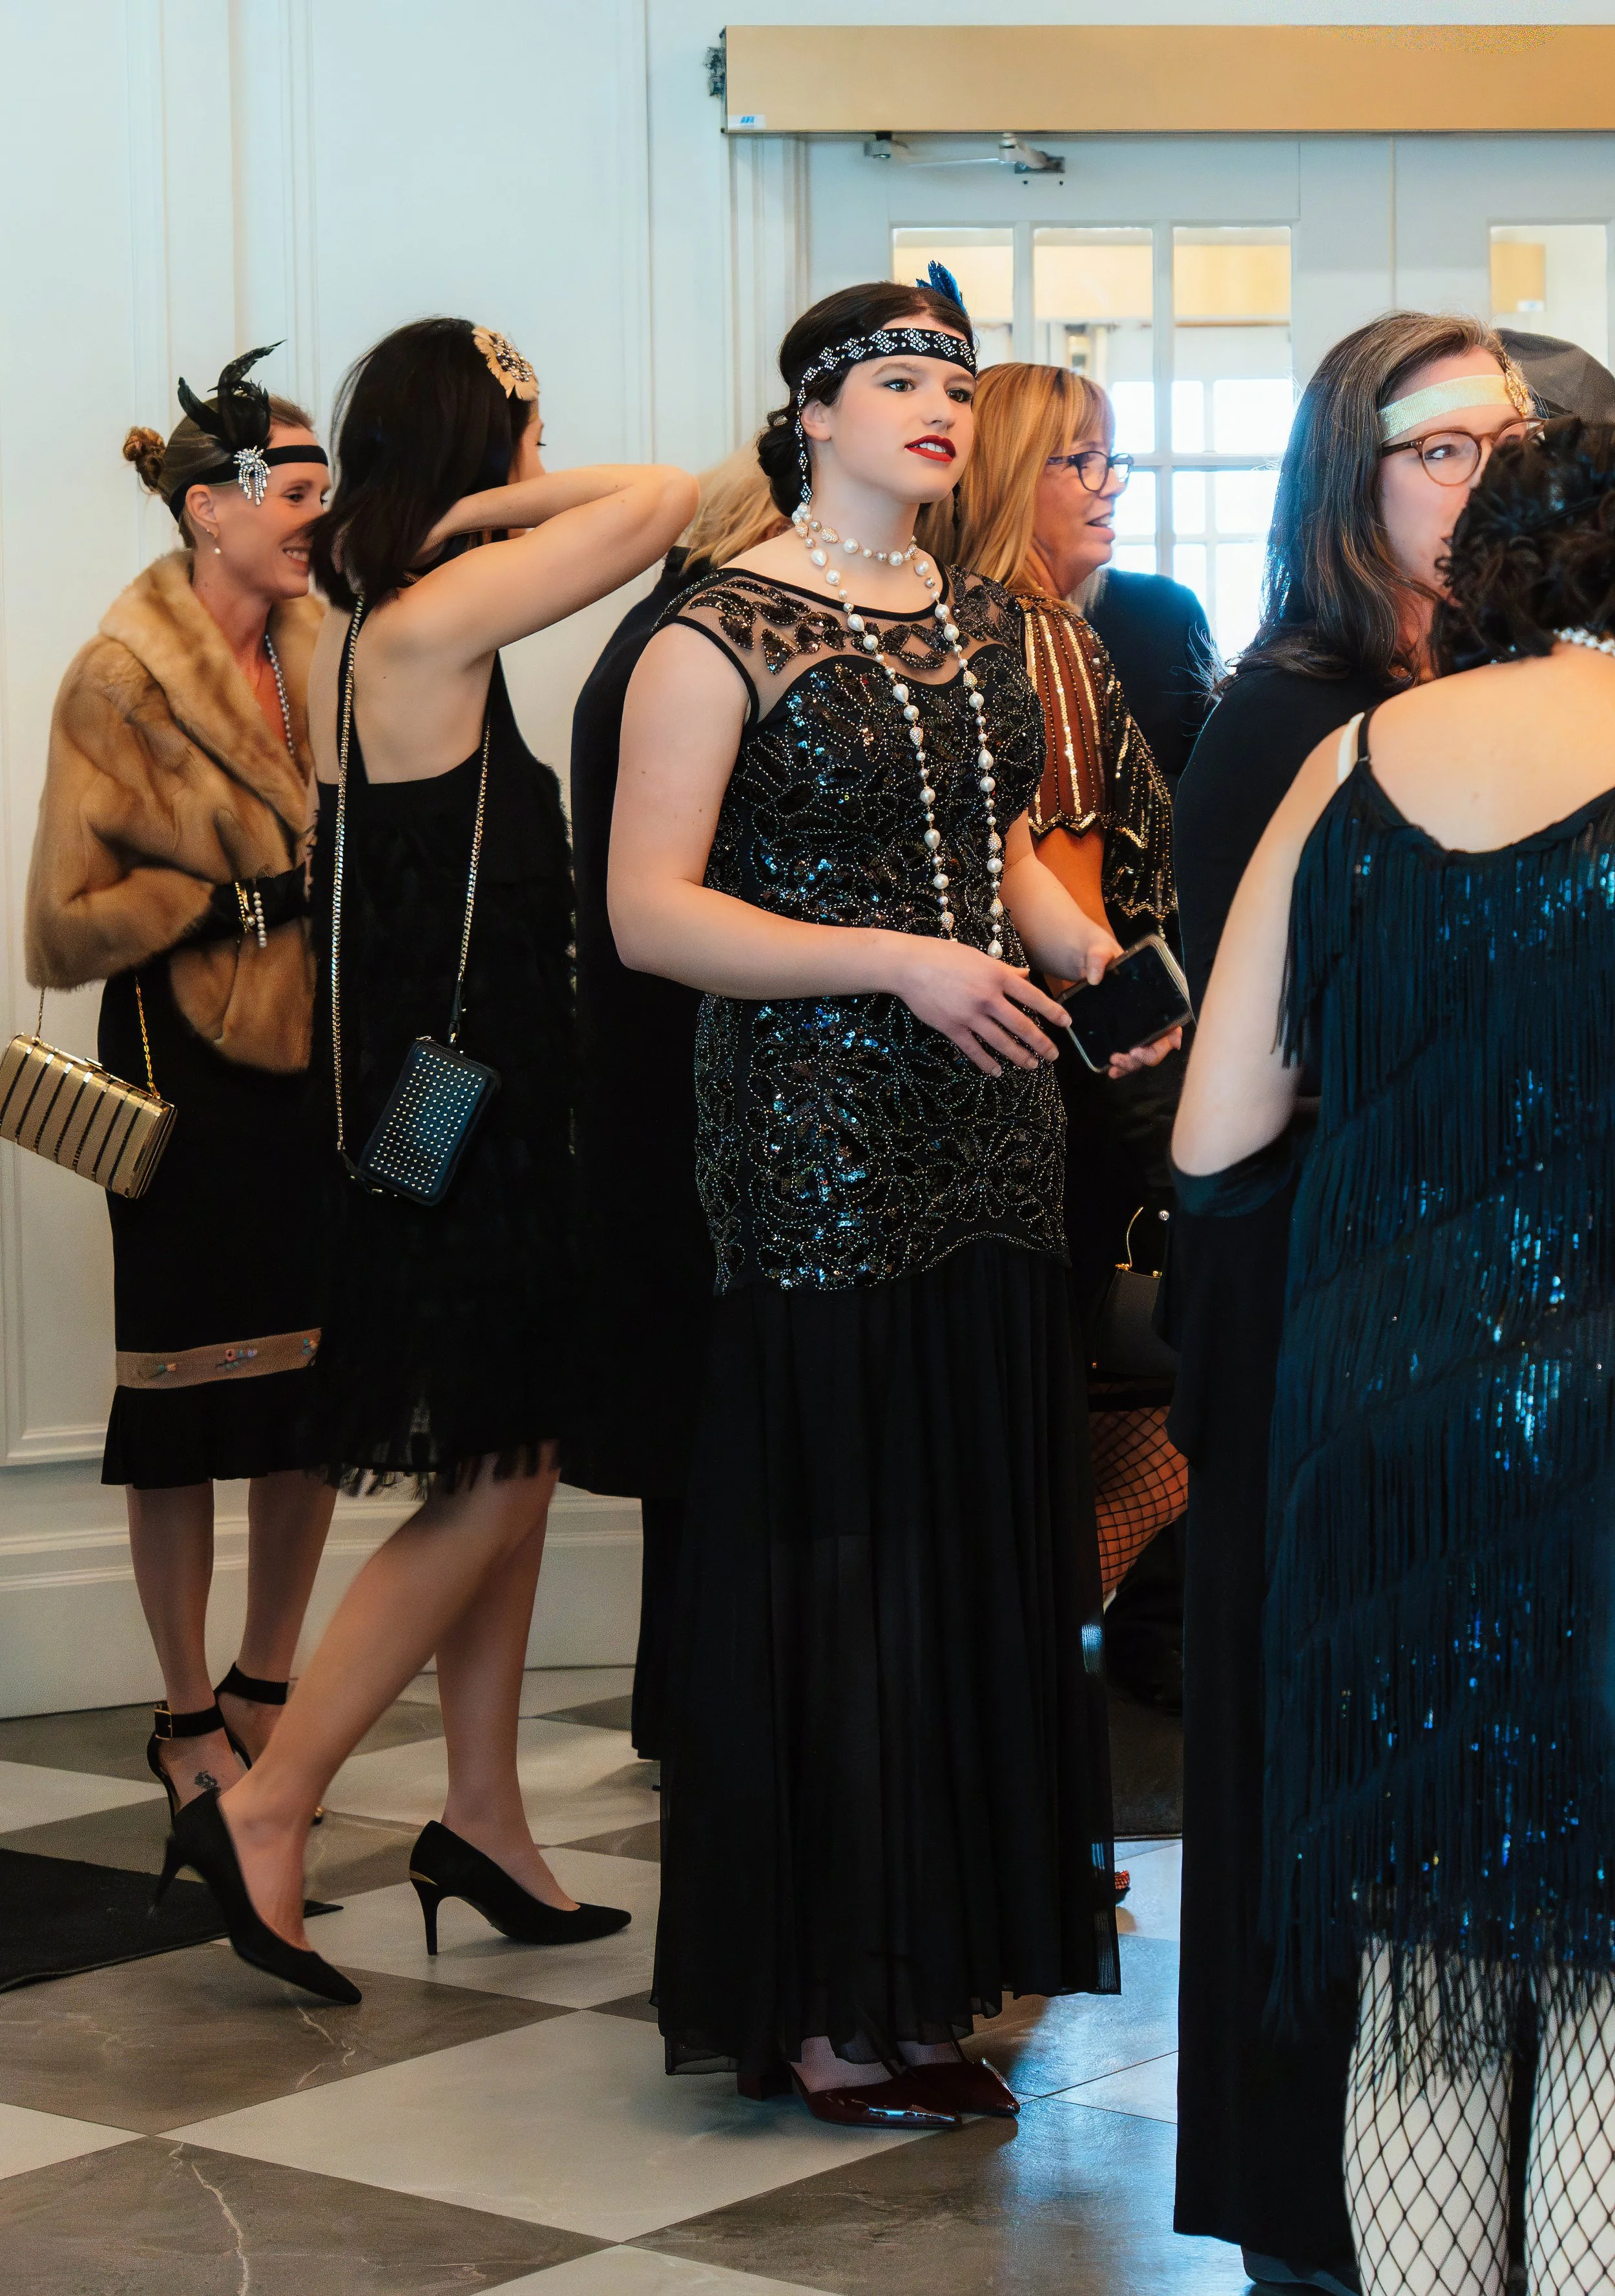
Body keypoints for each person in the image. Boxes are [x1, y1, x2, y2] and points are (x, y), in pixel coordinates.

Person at [612, 277, 1174, 2130]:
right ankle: (830, 2001)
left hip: (995, 1130)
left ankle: (931, 1965)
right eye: (898, 378)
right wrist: (895, 963)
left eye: (953, 378)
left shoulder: (990, 619)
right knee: (843, 1560)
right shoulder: (721, 624)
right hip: (815, 1148)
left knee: (970, 1546)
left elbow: (994, 848)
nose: (938, 403)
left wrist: (1094, 962)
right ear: (812, 414)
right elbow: (650, 912)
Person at [154, 316, 697, 2005]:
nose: (547, 465)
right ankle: (270, 1804)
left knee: (504, 1457)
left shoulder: (373, 620)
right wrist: (482, 506)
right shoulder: (425, 613)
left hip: (451, 1111)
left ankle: (480, 1816)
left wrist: (463, 503)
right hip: (469, 1127)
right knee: (498, 1479)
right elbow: (668, 499)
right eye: (524, 435)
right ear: (475, 446)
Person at [1172, 413, 1615, 2296]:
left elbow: (1213, 1133)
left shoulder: (1346, 760)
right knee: (1601, 1979)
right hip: (1599, 1418)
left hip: (1378, 1413)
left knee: (1421, 1962)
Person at [24, 349, 336, 1819]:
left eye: (326, 486)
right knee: (180, 1405)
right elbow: (59, 925)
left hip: (325, 1066)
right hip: (185, 1069)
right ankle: (184, 1708)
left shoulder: (334, 654)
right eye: (294, 489)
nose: (319, 513)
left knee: (308, 1394)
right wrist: (236, 896)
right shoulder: (121, 678)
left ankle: (269, 1678)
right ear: (210, 508)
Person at [947, 359, 1184, 1631]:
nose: (1107, 485)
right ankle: (1033, 1657)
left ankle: (1017, 1656)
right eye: (1076, 459)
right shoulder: (1040, 635)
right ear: (1002, 476)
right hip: (1074, 1079)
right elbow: (1069, 902)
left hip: (989, 1072)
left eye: (1112, 458)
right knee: (1167, 1410)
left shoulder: (957, 623)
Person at [568, 448, 785, 1763]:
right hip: (698, 1063)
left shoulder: (653, 626)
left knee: (692, 1411)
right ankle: (715, 1714)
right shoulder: (715, 642)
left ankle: (685, 1704)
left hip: (645, 1066)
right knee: (722, 1400)